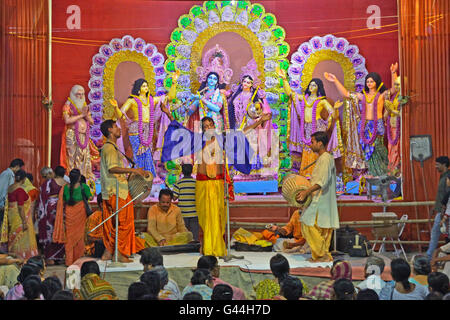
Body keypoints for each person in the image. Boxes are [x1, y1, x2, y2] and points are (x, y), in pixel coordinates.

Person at [110, 73, 178, 179]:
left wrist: (174, 82)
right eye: (143, 86)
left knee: (148, 153)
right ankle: (139, 177)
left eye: (146, 86)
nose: (146, 87)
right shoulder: (132, 101)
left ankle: (149, 176)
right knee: (138, 154)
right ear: (138, 89)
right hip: (136, 130)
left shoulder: (152, 100)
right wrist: (115, 108)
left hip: (148, 129)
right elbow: (121, 115)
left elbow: (170, 97)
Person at [277, 68, 343, 177]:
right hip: (306, 127)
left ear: (318, 88)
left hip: (317, 127)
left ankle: (319, 174)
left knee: (316, 149)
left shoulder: (322, 101)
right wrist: (284, 78)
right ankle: (307, 173)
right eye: (310, 85)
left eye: (314, 85)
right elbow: (290, 93)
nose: (311, 87)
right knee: (307, 148)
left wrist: (335, 108)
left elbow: (334, 115)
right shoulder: (304, 99)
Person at [99, 120, 146, 263]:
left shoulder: (112, 148)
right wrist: (133, 170)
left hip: (115, 191)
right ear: (109, 130)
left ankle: (108, 252)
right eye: (115, 127)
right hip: (117, 191)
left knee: (115, 223)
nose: (119, 129)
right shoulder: (109, 149)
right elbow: (112, 168)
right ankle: (119, 252)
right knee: (124, 223)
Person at [325, 71, 389, 176]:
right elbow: (346, 94)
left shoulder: (382, 95)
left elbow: (395, 90)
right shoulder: (363, 96)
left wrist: (393, 73)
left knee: (377, 149)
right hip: (365, 126)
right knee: (367, 151)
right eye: (367, 81)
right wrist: (335, 80)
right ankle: (372, 173)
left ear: (376, 82)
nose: (369, 83)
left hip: (377, 125)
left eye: (371, 81)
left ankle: (381, 174)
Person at [226, 59, 275, 177]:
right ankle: (239, 170)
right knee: (238, 148)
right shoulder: (235, 95)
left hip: (251, 126)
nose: (245, 84)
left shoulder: (255, 97)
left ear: (252, 84)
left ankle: (252, 172)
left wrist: (258, 118)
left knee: (251, 147)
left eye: (248, 82)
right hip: (237, 125)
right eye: (244, 81)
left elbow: (262, 111)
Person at [296, 131, 339, 262]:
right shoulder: (324, 157)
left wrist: (306, 192)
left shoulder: (325, 158)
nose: (311, 145)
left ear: (320, 144)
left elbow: (322, 181)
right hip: (322, 199)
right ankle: (322, 255)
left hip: (321, 199)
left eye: (313, 142)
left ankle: (322, 255)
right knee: (322, 229)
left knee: (308, 224)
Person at [60, 85, 97, 187]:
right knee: (72, 157)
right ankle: (73, 179)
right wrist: (82, 115)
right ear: (73, 95)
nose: (80, 97)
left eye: (82, 94)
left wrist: (87, 116)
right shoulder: (67, 106)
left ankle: (85, 177)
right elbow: (67, 120)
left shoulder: (84, 105)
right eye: (78, 94)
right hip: (72, 135)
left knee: (85, 156)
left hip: (84, 136)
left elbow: (92, 122)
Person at [53, 169, 91, 266]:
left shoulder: (65, 188)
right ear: (79, 177)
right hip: (80, 213)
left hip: (69, 213)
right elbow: (89, 197)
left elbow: (64, 200)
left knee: (69, 237)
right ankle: (78, 260)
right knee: (80, 237)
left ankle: (69, 261)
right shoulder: (84, 187)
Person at [0, 169, 38, 259]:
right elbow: (20, 207)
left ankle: (13, 255)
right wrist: (24, 222)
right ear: (24, 179)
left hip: (11, 216)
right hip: (19, 217)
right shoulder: (20, 190)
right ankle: (22, 257)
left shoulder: (10, 188)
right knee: (21, 237)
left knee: (13, 235)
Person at [36, 165, 66, 265]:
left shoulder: (49, 183)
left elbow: (42, 197)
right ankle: (60, 256)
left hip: (50, 210)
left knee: (50, 232)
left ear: (53, 173)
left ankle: (50, 257)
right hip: (62, 210)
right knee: (61, 231)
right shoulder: (67, 183)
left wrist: (40, 213)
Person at [427, 156, 450, 260]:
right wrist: (435, 207)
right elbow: (441, 195)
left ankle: (429, 257)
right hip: (442, 211)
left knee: (436, 234)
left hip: (445, 212)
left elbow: (448, 196)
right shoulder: (443, 176)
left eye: (437, 164)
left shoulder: (448, 177)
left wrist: (444, 212)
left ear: (444, 165)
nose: (435, 166)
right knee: (436, 233)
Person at [383, 62, 403, 175]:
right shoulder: (394, 97)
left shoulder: (403, 98)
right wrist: (387, 109)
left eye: (399, 85)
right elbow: (387, 114)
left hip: (399, 130)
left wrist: (392, 110)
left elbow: (401, 114)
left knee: (397, 151)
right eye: (396, 85)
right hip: (392, 128)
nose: (396, 87)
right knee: (391, 150)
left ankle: (398, 172)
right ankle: (392, 170)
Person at [172, 164, 199, 241]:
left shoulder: (179, 183)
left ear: (182, 172)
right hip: (195, 212)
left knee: (184, 234)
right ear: (192, 171)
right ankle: (195, 247)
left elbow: (174, 198)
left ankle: (185, 248)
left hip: (183, 213)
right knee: (194, 234)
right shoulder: (196, 183)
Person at [0, 159, 25, 231]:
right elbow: (2, 190)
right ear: (17, 166)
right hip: (2, 207)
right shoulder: (6, 174)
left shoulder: (10, 175)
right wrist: (2, 205)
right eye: (20, 168)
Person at [84, 192, 105, 258]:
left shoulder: (112, 215)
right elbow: (89, 238)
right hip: (96, 246)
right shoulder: (94, 217)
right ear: (101, 205)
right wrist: (104, 239)